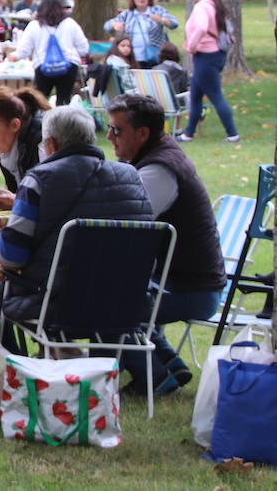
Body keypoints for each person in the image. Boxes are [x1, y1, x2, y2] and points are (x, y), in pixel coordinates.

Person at [0, 105, 152, 332]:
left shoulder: (40, 179)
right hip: (126, 302)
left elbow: (11, 258)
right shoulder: (131, 176)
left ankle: (16, 361)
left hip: (56, 304)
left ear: (50, 144)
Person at [106, 93, 224, 393]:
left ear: (143, 133)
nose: (109, 136)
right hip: (179, 282)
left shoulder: (158, 170)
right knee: (111, 289)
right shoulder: (159, 156)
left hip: (190, 290)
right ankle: (169, 364)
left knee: (102, 300)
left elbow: (118, 226)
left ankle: (154, 377)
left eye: (117, 130)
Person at [180, 0, 239, 142]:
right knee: (196, 96)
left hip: (206, 56)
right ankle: (188, 134)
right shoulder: (214, 5)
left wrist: (191, 45)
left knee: (215, 96)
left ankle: (233, 134)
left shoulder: (202, 7)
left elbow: (201, 27)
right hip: (215, 55)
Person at [10, 0, 87, 106]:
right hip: (69, 66)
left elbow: (23, 51)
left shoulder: (34, 25)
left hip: (42, 66)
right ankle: (62, 121)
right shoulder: (70, 23)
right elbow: (83, 48)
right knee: (64, 101)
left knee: (40, 102)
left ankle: (41, 121)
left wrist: (14, 56)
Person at [0, 86, 50, 192]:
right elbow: (15, 190)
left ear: (14, 125)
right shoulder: (1, 149)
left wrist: (15, 201)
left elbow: (50, 198)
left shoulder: (42, 141)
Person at [104, 0, 178, 68]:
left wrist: (161, 20)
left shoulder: (157, 10)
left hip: (154, 56)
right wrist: (114, 25)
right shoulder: (127, 14)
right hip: (133, 57)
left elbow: (174, 23)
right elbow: (107, 26)